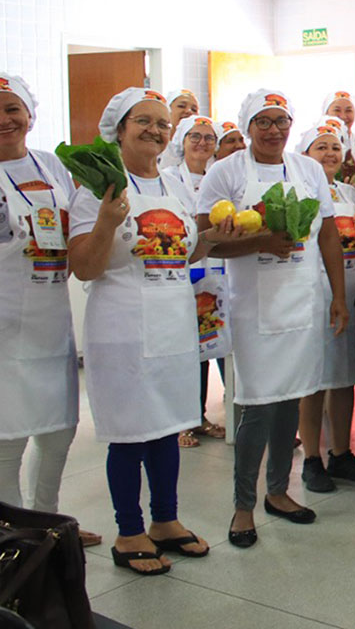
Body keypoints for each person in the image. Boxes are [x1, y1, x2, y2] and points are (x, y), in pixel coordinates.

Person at [68, 86, 235, 574]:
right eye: (143, 121)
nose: (156, 130)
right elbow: (84, 267)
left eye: (163, 123)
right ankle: (129, 531)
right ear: (118, 130)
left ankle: (165, 520)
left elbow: (180, 253)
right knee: (130, 434)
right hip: (121, 327)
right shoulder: (96, 187)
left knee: (166, 428)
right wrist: (104, 222)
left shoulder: (172, 187)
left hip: (172, 325)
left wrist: (209, 240)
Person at [196, 88, 349, 549]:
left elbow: (327, 235)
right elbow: (204, 242)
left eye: (281, 121)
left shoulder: (307, 169)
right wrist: (259, 243)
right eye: (264, 121)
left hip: (302, 300)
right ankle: (244, 505)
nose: (274, 130)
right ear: (248, 126)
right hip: (255, 305)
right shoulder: (224, 173)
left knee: (292, 401)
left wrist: (337, 296)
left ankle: (279, 492)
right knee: (258, 406)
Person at [0, 73, 96, 545]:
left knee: (58, 428)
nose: (3, 120)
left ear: (29, 113)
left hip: (48, 313)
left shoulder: (51, 165)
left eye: (12, 109)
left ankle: (49, 524)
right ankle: (6, 537)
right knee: (7, 434)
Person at [296, 125, 355, 493]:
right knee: (314, 380)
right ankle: (312, 459)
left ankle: (341, 453)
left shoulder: (351, 193)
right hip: (316, 295)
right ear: (305, 153)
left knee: (344, 376)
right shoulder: (298, 193)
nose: (330, 153)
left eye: (335, 147)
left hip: (352, 293)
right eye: (321, 147)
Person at [169, 115, 228, 447]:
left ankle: (205, 418)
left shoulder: (217, 179)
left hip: (217, 270)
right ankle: (184, 422)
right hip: (181, 272)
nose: (203, 143)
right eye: (195, 136)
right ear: (182, 140)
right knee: (186, 349)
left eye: (209, 138)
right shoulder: (167, 179)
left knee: (214, 343)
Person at [322, 90, 355, 181]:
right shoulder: (314, 142)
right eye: (337, 110)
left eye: (348, 110)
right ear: (326, 113)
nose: (343, 116)